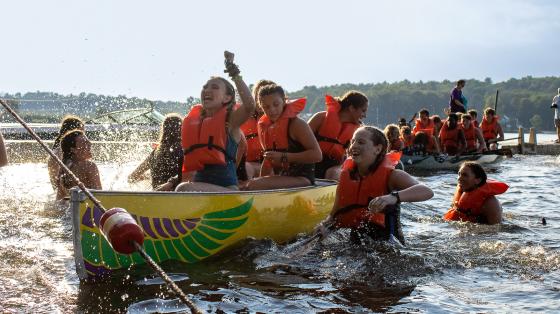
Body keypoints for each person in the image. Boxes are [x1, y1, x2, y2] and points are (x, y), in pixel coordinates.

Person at [316, 126, 433, 244]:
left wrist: (393, 197)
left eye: (361, 142)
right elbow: (333, 216)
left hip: (388, 248)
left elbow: (427, 191)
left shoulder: (392, 176)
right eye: (352, 142)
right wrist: (325, 227)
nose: (354, 146)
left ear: (377, 149)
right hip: (356, 244)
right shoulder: (346, 177)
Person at [176, 51, 255, 192]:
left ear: (227, 98)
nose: (207, 90)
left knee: (183, 188)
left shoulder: (230, 121)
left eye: (214, 87)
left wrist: (234, 73)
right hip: (204, 190)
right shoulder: (196, 122)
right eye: (205, 87)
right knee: (182, 186)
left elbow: (249, 105)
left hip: (227, 192)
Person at [245, 84, 322, 190]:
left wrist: (283, 157)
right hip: (283, 178)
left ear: (284, 101)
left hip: (303, 179)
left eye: (276, 104)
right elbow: (268, 161)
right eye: (266, 107)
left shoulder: (297, 125)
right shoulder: (265, 127)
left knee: (254, 185)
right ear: (260, 107)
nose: (272, 110)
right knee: (249, 184)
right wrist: (261, 180)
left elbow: (317, 155)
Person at [308, 91, 367, 179]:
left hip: (335, 166)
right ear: (351, 108)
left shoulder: (358, 131)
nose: (365, 115)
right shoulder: (320, 118)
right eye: (363, 111)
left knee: (332, 173)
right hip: (311, 161)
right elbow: (299, 142)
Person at [128, 114, 183, 190]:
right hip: (177, 197)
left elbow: (131, 177)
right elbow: (190, 176)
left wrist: (148, 177)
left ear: (163, 130)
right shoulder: (184, 152)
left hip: (155, 195)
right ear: (181, 129)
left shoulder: (155, 152)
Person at [443, 161, 508, 224]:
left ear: (478, 180)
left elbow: (496, 230)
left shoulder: (490, 203)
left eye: (465, 175)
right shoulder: (462, 192)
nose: (459, 178)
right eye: (459, 174)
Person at [240, 79, 275, 180]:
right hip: (247, 165)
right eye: (259, 95)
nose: (262, 99)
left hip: (272, 168)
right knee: (246, 167)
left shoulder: (284, 121)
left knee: (247, 167)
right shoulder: (242, 118)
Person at [56, 130, 101, 200]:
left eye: (88, 141)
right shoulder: (90, 166)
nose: (90, 144)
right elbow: (100, 195)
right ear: (73, 150)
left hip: (67, 209)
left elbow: (59, 201)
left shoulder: (64, 168)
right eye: (84, 143)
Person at [48, 115, 85, 190]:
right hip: (68, 196)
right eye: (81, 132)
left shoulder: (56, 152)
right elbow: (61, 184)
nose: (84, 136)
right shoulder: (61, 153)